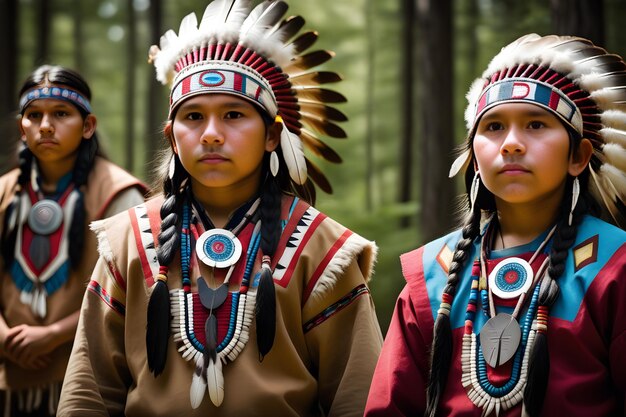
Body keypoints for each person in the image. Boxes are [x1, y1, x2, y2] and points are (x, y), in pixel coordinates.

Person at [57, 0, 382, 416]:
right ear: (173, 138)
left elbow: (358, 397)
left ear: (271, 136)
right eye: (193, 117)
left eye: (233, 114)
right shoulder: (126, 240)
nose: (211, 135)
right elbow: (90, 391)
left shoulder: (322, 249)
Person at [365, 34, 626, 417]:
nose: (511, 144)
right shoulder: (433, 275)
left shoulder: (613, 266)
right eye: (494, 128)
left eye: (536, 125)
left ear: (579, 156)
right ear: (474, 155)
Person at [0, 64, 147, 416]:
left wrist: (54, 334)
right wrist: (2, 333)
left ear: (88, 126)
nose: (45, 126)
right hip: (8, 379)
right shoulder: (4, 192)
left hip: (87, 380)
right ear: (22, 128)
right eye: (33, 115)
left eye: (61, 113)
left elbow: (132, 291)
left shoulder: (119, 196)